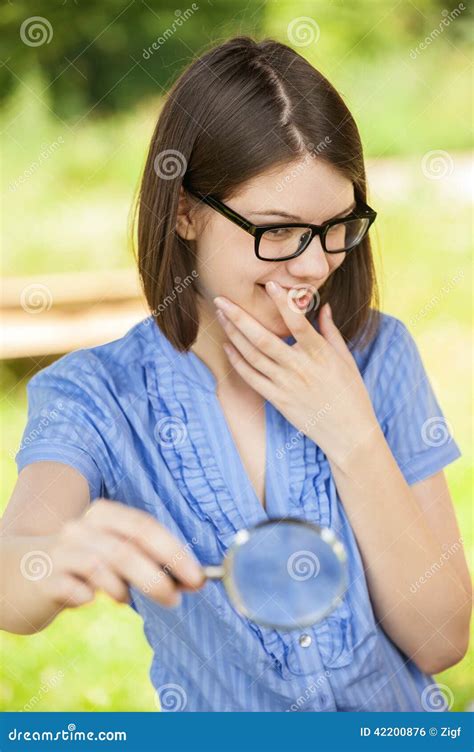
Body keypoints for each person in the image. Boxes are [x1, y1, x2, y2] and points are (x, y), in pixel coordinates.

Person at [1, 36, 470, 712]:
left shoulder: (380, 355)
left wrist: (354, 438)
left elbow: (442, 639)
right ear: (186, 211)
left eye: (338, 225)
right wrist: (59, 554)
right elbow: (14, 578)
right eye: (277, 231)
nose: (314, 265)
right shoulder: (98, 395)